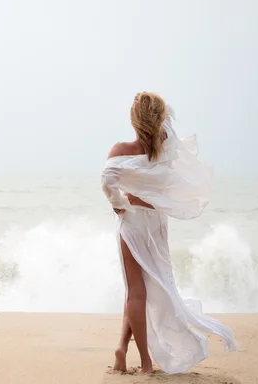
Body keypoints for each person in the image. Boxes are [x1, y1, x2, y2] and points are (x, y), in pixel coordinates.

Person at [101, 92, 237, 374]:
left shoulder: (121, 150)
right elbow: (170, 188)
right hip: (156, 225)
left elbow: (107, 182)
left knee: (135, 292)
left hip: (132, 223)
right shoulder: (165, 148)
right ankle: (121, 349)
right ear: (161, 119)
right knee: (145, 291)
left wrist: (121, 204)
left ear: (133, 119)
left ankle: (146, 362)